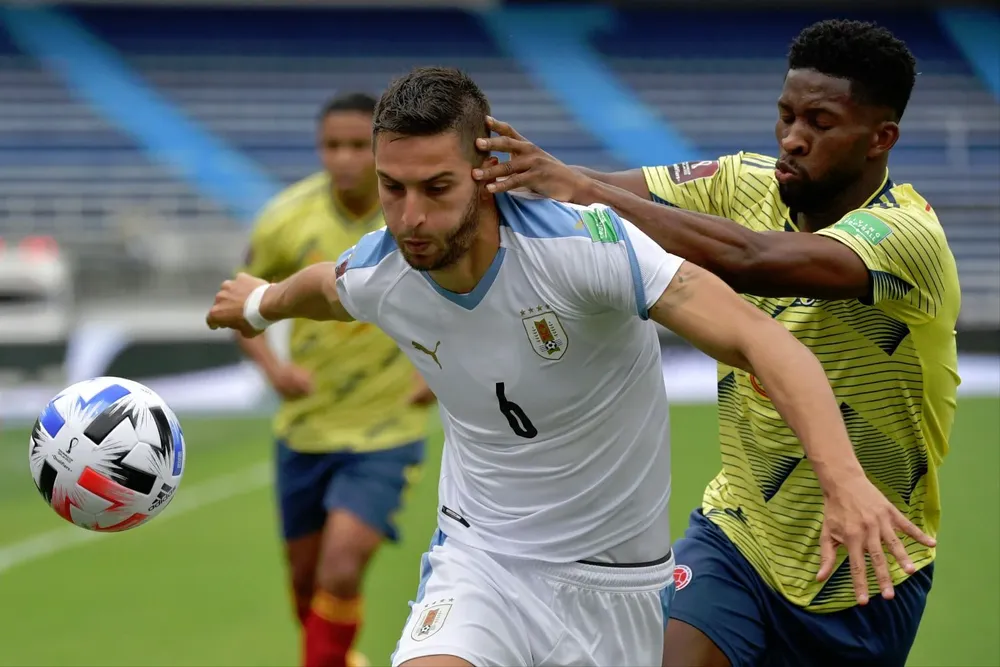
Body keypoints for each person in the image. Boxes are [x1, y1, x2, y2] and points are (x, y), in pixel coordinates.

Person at [208, 66, 933, 667]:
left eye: (436, 189)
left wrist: (844, 481)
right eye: (392, 189)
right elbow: (325, 287)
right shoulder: (382, 266)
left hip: (620, 590)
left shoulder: (587, 248)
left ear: (485, 173)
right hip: (480, 565)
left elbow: (761, 340)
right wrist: (261, 303)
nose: (408, 218)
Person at [472, 18, 959, 667]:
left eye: (819, 123)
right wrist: (506, 178)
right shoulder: (744, 181)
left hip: (866, 561)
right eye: (786, 114)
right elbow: (604, 196)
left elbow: (752, 257)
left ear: (881, 138)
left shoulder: (908, 237)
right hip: (736, 535)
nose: (792, 137)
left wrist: (580, 189)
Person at [235, 92, 435, 667]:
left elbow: (466, 299)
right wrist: (274, 369)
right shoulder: (284, 219)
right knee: (305, 583)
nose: (344, 158)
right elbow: (240, 305)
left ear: (378, 151)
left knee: (341, 566)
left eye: (357, 146)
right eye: (332, 145)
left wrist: (439, 374)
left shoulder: (413, 217)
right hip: (305, 428)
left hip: (386, 429)